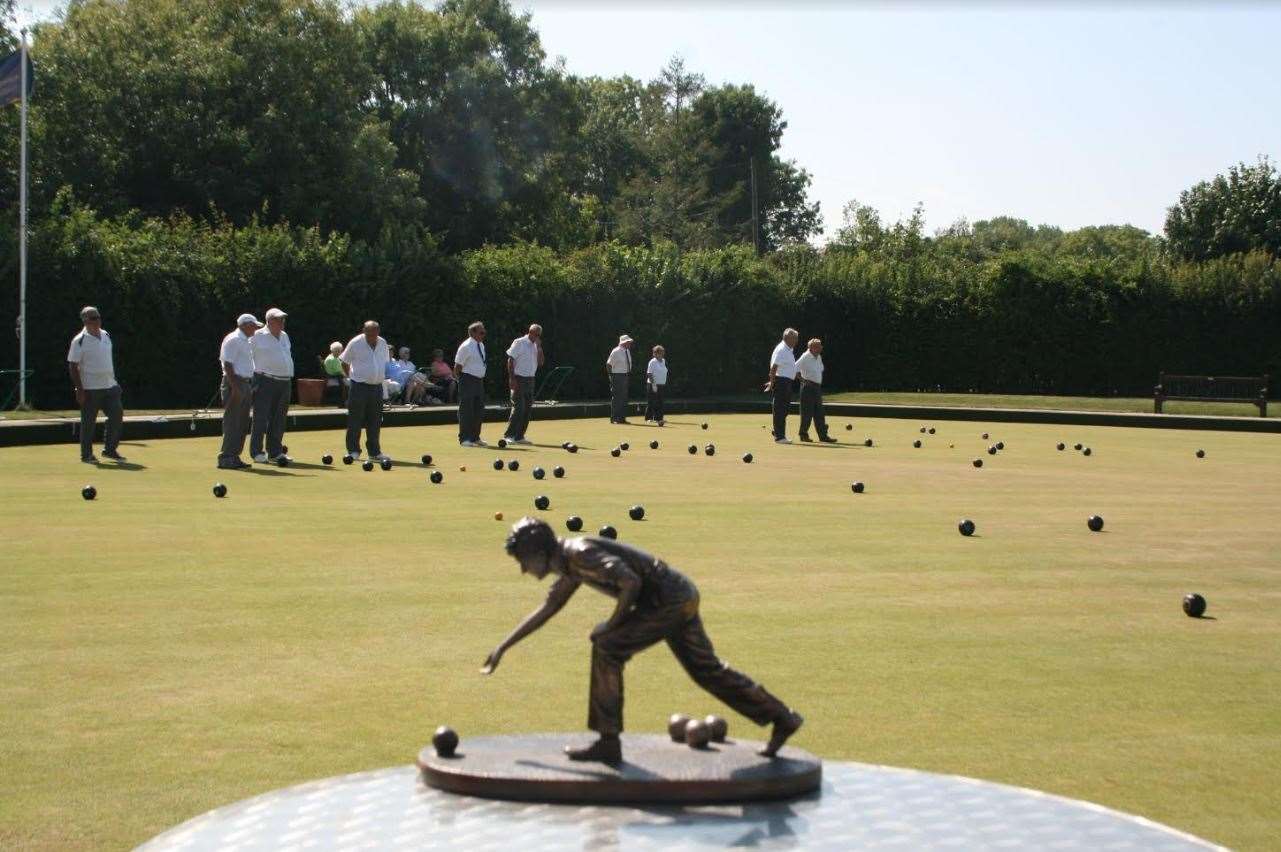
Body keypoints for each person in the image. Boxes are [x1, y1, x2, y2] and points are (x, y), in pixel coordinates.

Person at [482, 517, 804, 764]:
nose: (524, 569)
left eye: (523, 560)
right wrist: (503, 648)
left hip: (669, 601)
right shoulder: (570, 564)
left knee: (607, 646)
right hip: (679, 596)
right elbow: (549, 608)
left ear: (539, 553)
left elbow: (630, 581)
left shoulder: (580, 554)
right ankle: (782, 718)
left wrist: (612, 623)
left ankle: (608, 742)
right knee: (707, 670)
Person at [66, 305, 125, 463]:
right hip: (90, 388)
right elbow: (72, 365)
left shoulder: (106, 334)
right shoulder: (79, 341)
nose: (97, 320)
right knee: (88, 423)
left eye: (98, 317)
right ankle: (86, 455)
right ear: (85, 321)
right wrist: (79, 388)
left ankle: (110, 450)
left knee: (117, 414)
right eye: (93, 318)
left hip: (110, 385)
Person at [340, 321, 392, 462]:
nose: (371, 336)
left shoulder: (382, 343)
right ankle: (353, 451)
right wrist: (352, 378)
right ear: (364, 331)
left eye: (374, 332)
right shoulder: (355, 342)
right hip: (359, 386)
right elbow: (344, 362)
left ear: (378, 332)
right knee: (355, 419)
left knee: (375, 420)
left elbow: (383, 363)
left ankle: (374, 453)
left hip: (377, 387)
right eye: (368, 332)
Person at [249, 307, 293, 464]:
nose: (282, 322)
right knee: (261, 418)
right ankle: (256, 452)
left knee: (279, 419)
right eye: (278, 319)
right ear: (269, 321)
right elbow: (246, 355)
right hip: (265, 380)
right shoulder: (257, 336)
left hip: (285, 382)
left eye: (283, 319)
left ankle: (275, 452)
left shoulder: (285, 336)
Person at [217, 313, 261, 470]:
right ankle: (226, 457)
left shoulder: (245, 340)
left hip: (244, 383)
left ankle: (234, 456)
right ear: (245, 325)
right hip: (235, 382)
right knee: (232, 421)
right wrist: (235, 387)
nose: (256, 329)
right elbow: (227, 364)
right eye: (254, 326)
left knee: (242, 423)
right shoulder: (234, 339)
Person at [504, 324, 543, 445]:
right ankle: (509, 435)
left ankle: (519, 436)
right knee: (519, 408)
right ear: (530, 332)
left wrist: (539, 348)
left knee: (527, 409)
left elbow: (541, 363)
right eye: (535, 334)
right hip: (519, 378)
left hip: (531, 379)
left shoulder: (536, 346)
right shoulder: (519, 342)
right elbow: (510, 360)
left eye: (539, 335)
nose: (537, 337)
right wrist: (512, 378)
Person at [795, 338, 837, 443]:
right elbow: (794, 369)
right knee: (807, 413)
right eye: (818, 346)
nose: (821, 347)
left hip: (817, 387)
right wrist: (803, 380)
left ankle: (823, 436)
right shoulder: (805, 357)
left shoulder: (818, 357)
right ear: (812, 347)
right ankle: (803, 435)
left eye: (820, 345)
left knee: (819, 412)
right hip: (808, 387)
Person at [454, 321, 488, 447]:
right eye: (481, 332)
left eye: (484, 332)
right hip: (467, 379)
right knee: (466, 410)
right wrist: (462, 381)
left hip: (479, 380)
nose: (483, 334)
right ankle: (464, 439)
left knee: (478, 410)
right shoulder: (466, 346)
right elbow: (457, 367)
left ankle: (475, 437)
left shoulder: (481, 345)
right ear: (472, 332)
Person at [764, 328, 800, 444]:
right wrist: (772, 382)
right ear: (787, 338)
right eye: (794, 338)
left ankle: (778, 431)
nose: (796, 340)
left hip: (786, 382)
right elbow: (774, 368)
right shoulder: (782, 350)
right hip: (782, 382)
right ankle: (779, 437)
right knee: (780, 409)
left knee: (784, 410)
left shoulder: (788, 349)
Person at [606, 334, 634, 424]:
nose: (630, 344)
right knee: (617, 397)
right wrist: (611, 376)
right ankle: (614, 418)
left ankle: (622, 418)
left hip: (625, 375)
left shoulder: (627, 351)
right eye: (628, 342)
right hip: (617, 376)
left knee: (624, 398)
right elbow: (609, 364)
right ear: (623, 342)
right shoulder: (616, 351)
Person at [644, 344, 667, 426]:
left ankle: (659, 418)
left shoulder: (663, 361)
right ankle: (648, 418)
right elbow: (649, 374)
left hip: (661, 384)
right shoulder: (652, 362)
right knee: (652, 402)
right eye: (659, 352)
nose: (661, 354)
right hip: (652, 384)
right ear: (655, 353)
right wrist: (653, 384)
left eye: (662, 352)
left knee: (660, 402)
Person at [322, 341, 347, 406]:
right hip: (334, 378)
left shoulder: (331, 357)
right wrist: (346, 375)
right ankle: (344, 401)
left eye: (340, 350)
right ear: (333, 350)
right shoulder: (333, 359)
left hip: (334, 377)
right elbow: (339, 371)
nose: (339, 352)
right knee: (352, 382)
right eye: (337, 350)